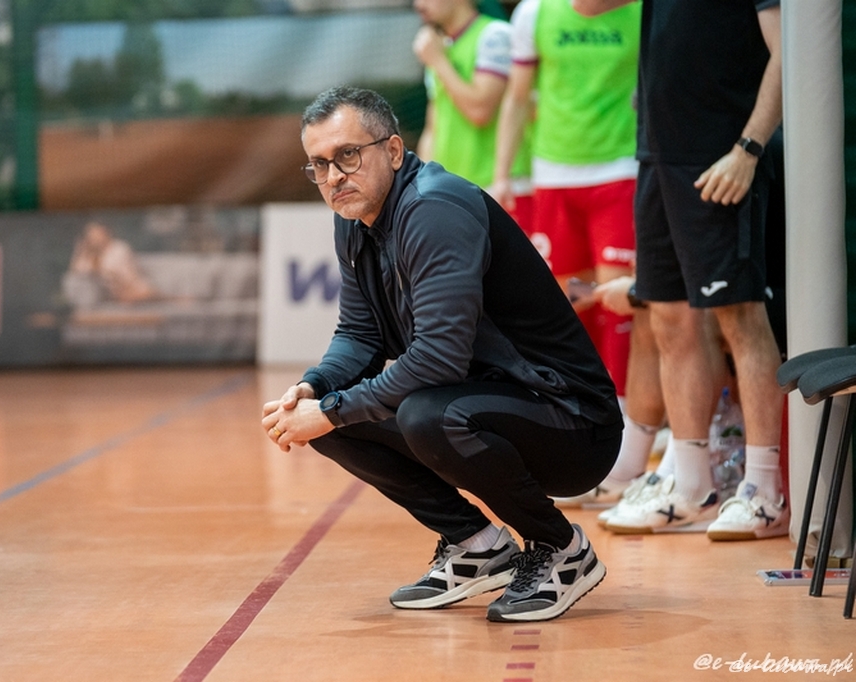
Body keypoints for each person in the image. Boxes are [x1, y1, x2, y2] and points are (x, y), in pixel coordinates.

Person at [261, 86, 623, 622]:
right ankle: (476, 546)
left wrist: (333, 408)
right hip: (491, 403)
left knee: (424, 414)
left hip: (572, 421)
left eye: (347, 155)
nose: (334, 176)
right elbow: (359, 334)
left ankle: (562, 549)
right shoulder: (355, 220)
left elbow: (438, 359)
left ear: (393, 151)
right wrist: (315, 389)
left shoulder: (434, 209)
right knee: (333, 418)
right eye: (319, 164)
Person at [575, 0, 787, 541]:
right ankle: (691, 484)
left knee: (740, 317)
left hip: (722, 155)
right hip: (657, 155)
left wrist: (748, 149)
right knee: (668, 317)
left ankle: (765, 491)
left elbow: (787, 54)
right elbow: (586, 6)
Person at [490, 0, 640, 404]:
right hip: (554, 176)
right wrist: (502, 175)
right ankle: (581, 402)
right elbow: (517, 98)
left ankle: (623, 412)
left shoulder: (642, 9)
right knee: (571, 300)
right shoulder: (535, 12)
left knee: (616, 298)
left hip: (620, 169)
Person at [412, 0, 534, 222]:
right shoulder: (438, 47)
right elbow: (432, 128)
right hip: (453, 191)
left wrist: (439, 62)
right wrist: (422, 188)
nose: (418, 4)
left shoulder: (495, 35)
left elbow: (480, 111)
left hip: (501, 189)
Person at [66, 221, 157, 304]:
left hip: (128, 285)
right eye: (91, 234)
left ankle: (150, 297)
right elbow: (77, 271)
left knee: (143, 293)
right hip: (105, 292)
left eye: (97, 233)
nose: (94, 237)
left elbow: (124, 275)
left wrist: (101, 271)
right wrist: (80, 252)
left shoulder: (119, 248)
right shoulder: (88, 253)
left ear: (106, 233)